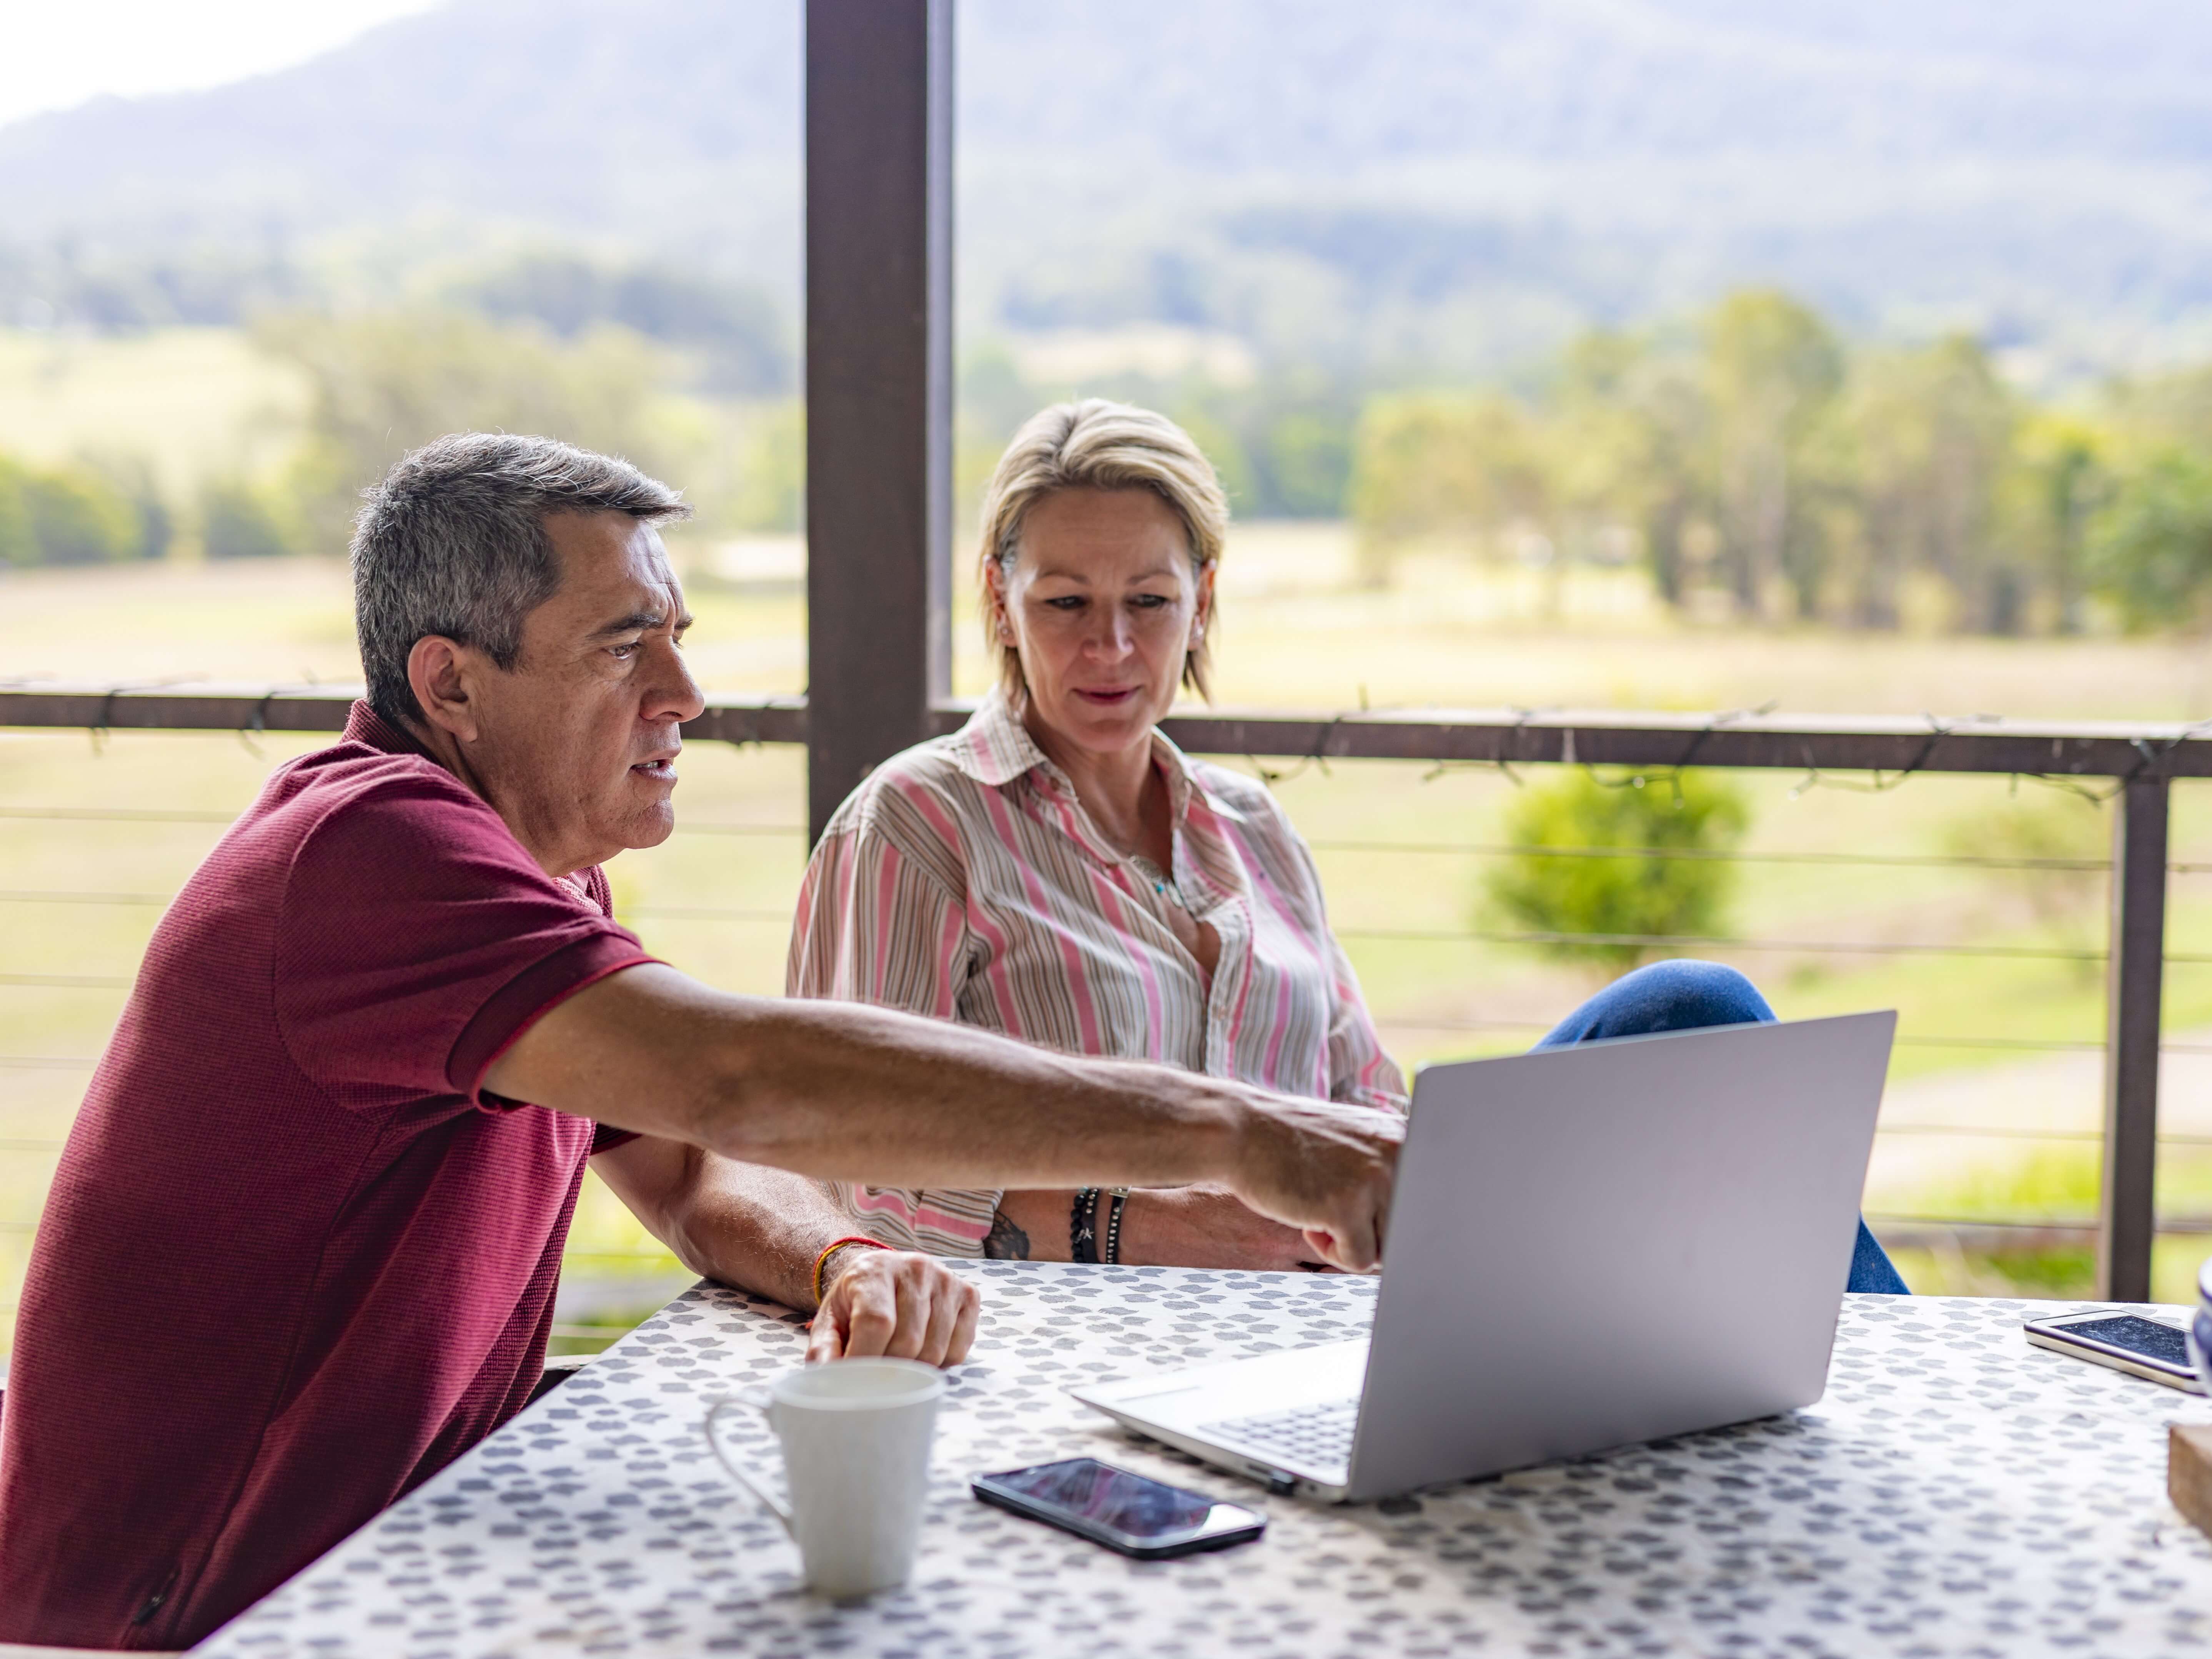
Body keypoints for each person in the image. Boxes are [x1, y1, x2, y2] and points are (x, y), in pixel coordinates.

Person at [0, 433, 1401, 1651]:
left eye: (677, 638)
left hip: (397, 1554)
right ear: (452, 683)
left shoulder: (531, 871)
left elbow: (685, 1168)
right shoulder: (369, 855)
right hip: (193, 1623)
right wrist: (1236, 1132)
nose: (685, 693)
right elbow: (738, 1078)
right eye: (625, 648)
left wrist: (842, 1255)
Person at [788, 398, 1908, 1295]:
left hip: (1335, 1297)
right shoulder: (915, 826)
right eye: (1065, 601)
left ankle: (1878, 1405)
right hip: (1101, 1329)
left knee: (1690, 1012)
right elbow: (839, 1163)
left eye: (1149, 599)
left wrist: (1468, 1186)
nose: (1111, 646)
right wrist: (1130, 1221)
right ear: (999, 598)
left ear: (1203, 600)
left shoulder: (1252, 829)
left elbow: (1365, 1099)